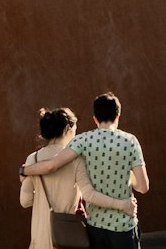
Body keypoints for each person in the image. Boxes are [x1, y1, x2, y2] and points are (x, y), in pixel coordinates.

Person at [22, 92, 148, 249]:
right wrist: (124, 176)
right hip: (116, 227)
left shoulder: (82, 141)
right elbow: (143, 187)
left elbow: (49, 168)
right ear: (118, 116)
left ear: (95, 118)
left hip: (86, 227)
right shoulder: (130, 141)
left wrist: (24, 171)